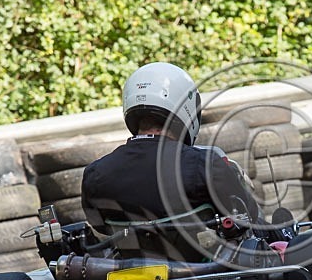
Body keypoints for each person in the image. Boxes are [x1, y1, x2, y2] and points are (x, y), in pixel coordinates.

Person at [80, 62, 263, 255]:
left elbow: (100, 226)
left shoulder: (95, 175)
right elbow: (248, 215)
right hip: (206, 279)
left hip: (128, 278)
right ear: (186, 107)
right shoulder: (205, 165)